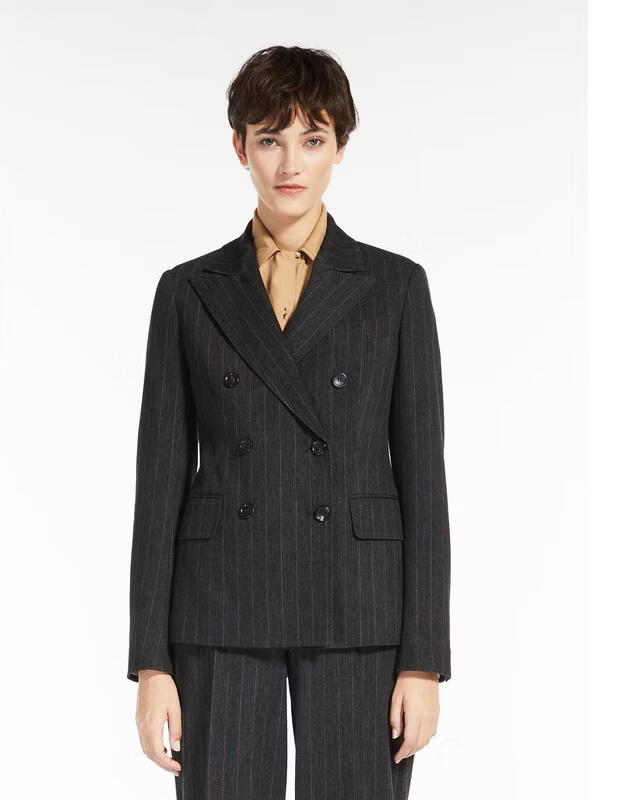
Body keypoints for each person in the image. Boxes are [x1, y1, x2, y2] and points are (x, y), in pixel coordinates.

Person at [128, 45, 451, 800]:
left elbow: (423, 483)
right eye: (270, 138)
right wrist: (150, 661)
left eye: (312, 138)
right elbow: (159, 483)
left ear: (340, 146)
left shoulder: (395, 287)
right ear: (239, 147)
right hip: (220, 604)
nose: (290, 163)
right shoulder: (188, 291)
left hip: (358, 603)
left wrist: (423, 660)